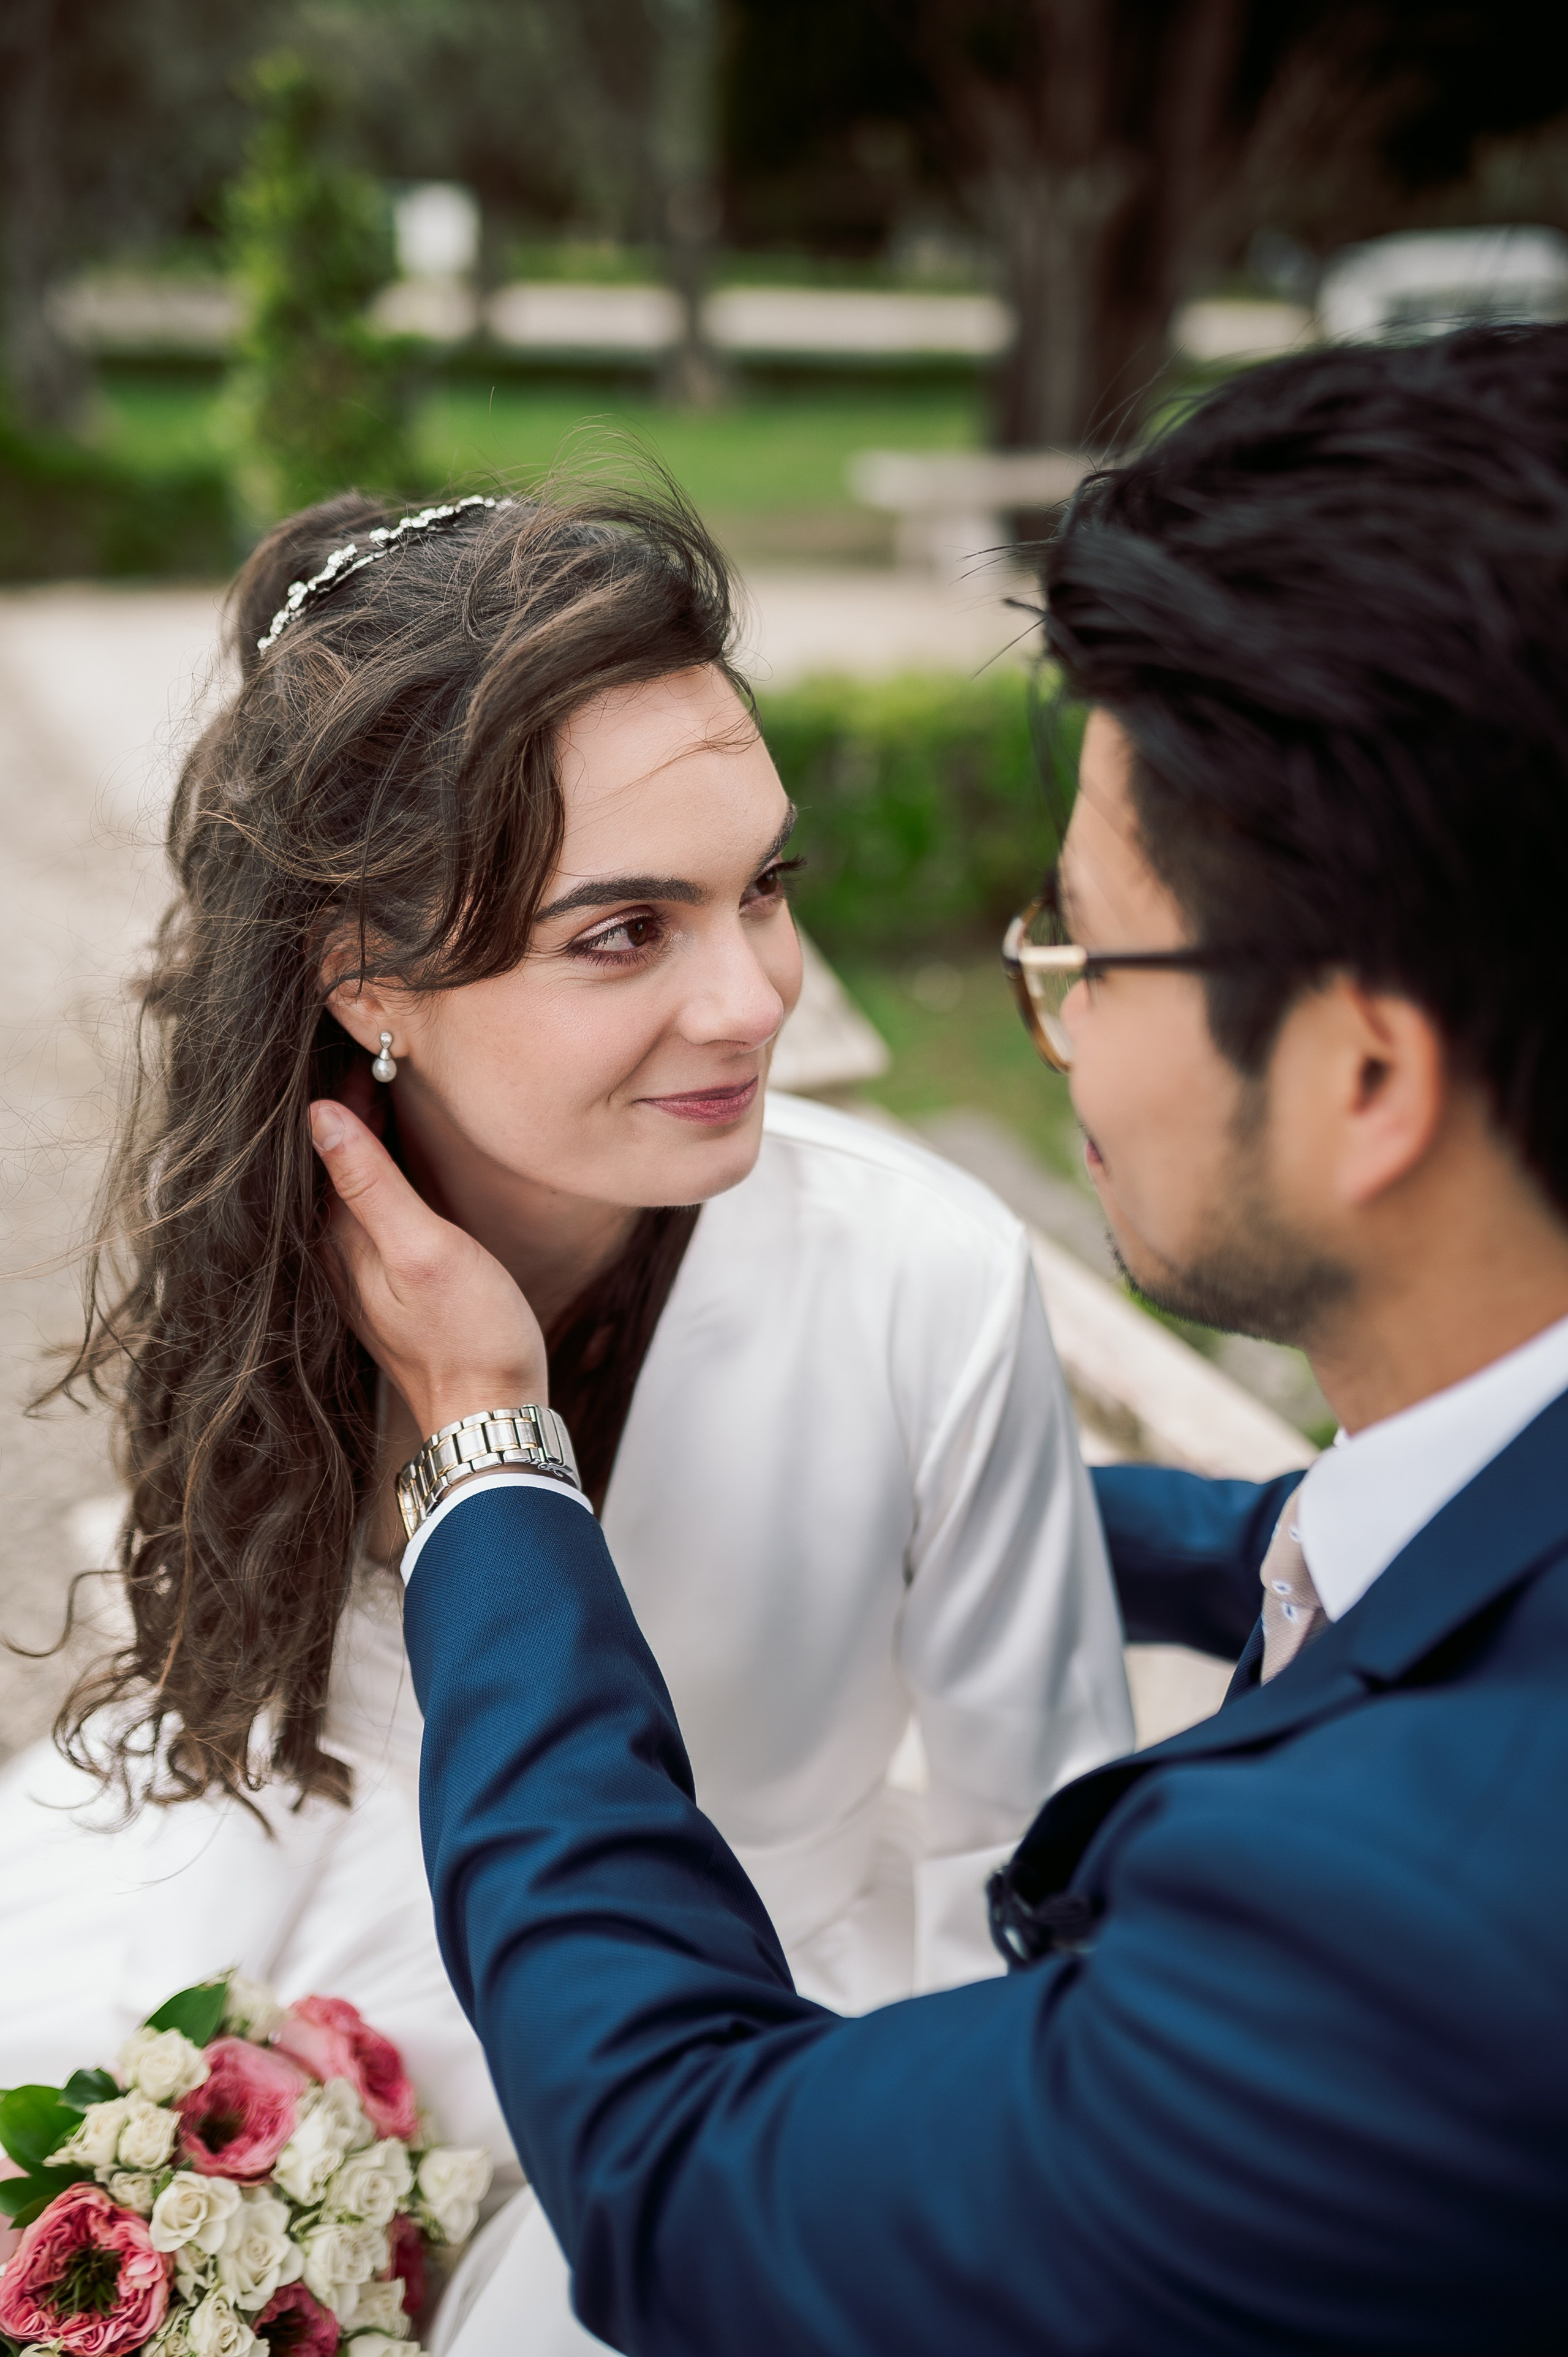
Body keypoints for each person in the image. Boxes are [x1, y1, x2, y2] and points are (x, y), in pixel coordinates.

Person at [314, 323, 1568, 2354]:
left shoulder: (1414, 1942)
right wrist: (1106, 1516)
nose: (762, 1007)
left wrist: (481, 1443)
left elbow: (686, 2177)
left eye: (1075, 949)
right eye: (630, 927)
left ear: (1367, 1068)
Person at [0, 489, 1133, 2344]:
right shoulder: (273, 1235)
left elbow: (1038, 1884)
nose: (755, 995)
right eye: (626, 932)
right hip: (289, 1937)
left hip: (740, 2059)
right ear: (371, 985)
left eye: (761, 888)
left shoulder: (926, 1284)